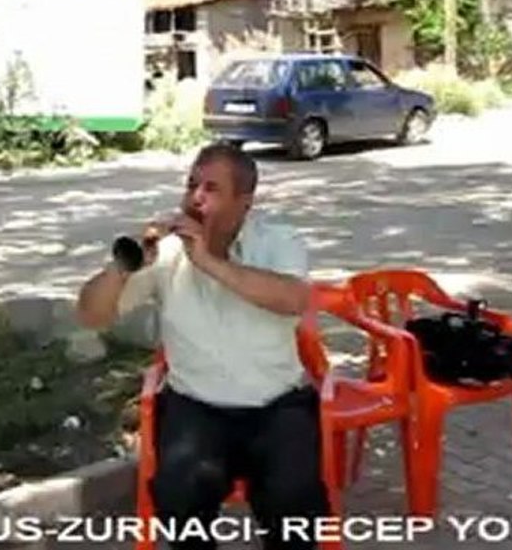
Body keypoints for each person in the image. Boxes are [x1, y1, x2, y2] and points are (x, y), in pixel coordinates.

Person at [77, 143, 329, 549]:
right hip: (196, 406)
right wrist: (123, 266)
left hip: (277, 404)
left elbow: (294, 300)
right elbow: (91, 315)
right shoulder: (165, 254)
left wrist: (209, 261)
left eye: (211, 188)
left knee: (294, 503)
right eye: (192, 183)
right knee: (179, 497)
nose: (195, 196)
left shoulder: (278, 240)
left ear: (244, 202)